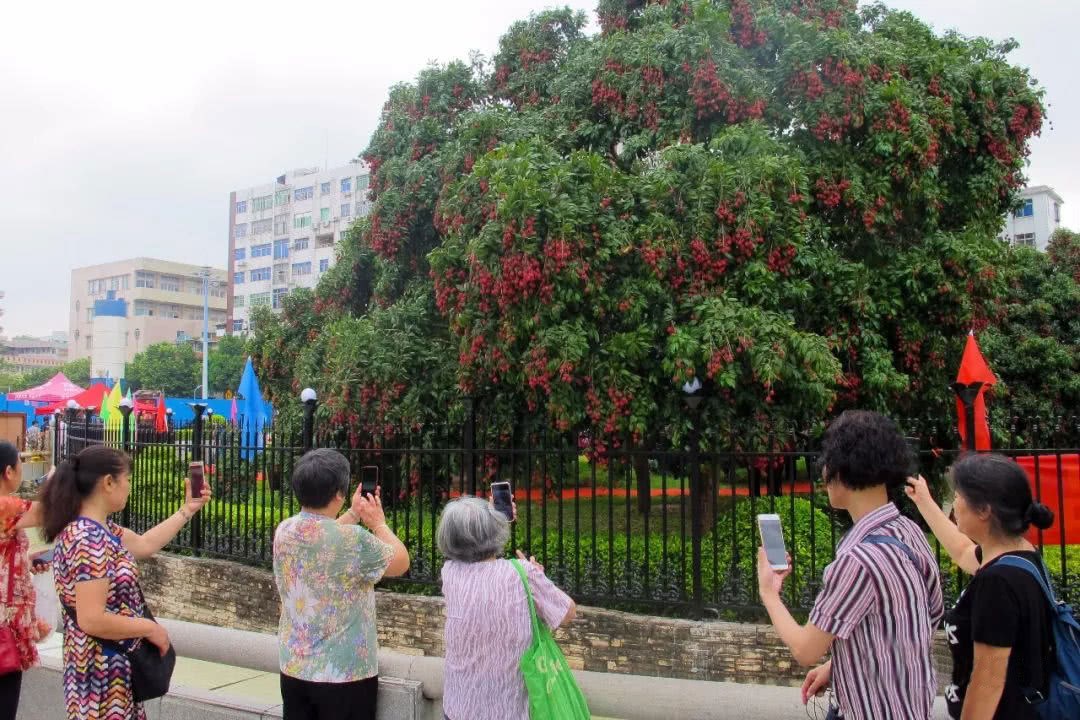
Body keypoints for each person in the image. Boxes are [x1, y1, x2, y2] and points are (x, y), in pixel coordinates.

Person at [757, 410, 943, 720]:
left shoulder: (857, 562)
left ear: (841, 472)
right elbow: (927, 617)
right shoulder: (910, 532)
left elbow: (805, 650)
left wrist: (769, 593)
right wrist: (839, 666)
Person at [40, 445, 211, 720]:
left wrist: (187, 510)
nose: (129, 487)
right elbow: (92, 619)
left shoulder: (99, 529)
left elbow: (144, 544)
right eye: (127, 479)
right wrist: (149, 628)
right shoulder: (89, 539)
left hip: (107, 667)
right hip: (103, 674)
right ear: (109, 482)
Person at [905, 454, 1055, 720]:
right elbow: (963, 552)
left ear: (984, 510)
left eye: (960, 496)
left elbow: (987, 682)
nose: (956, 503)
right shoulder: (1021, 556)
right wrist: (924, 501)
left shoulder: (997, 583)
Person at [272, 449, 409, 720]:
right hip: (345, 674)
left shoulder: (285, 530)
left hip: (295, 668)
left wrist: (352, 514)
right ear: (338, 493)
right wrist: (378, 524)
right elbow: (401, 562)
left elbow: (323, 534)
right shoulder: (354, 541)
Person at [438, 496, 576, 720]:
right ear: (493, 529)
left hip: (458, 708)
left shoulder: (450, 573)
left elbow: (480, 560)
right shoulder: (521, 573)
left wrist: (489, 518)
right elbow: (568, 613)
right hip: (509, 711)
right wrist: (537, 576)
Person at [0, 442, 50, 720]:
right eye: (20, 465)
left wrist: (26, 561)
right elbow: (49, 510)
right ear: (9, 471)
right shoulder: (5, 506)